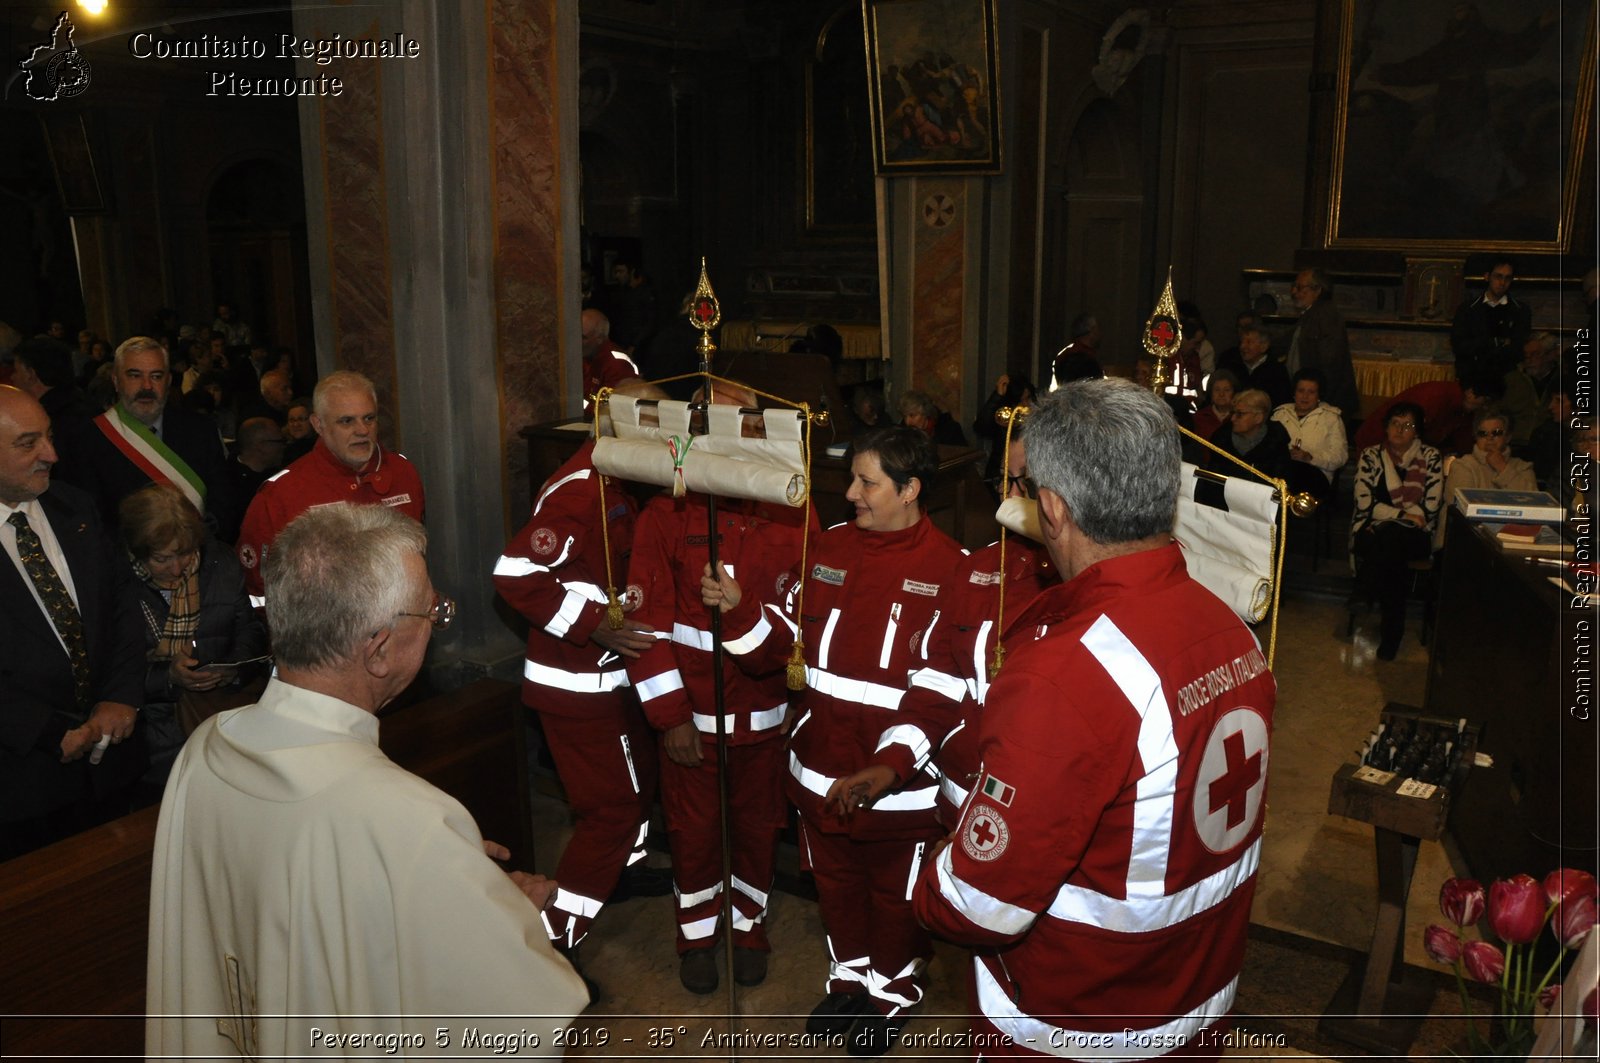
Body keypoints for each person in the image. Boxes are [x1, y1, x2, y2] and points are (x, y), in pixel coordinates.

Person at [911, 378, 1276, 1059]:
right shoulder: (1233, 630)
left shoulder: (1067, 674)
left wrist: (917, 870)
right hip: (1197, 1001)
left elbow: (979, 903)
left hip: (1076, 1023)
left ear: (1051, 507)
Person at [146, 503, 588, 1056]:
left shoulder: (206, 748)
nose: (435, 625)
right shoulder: (410, 820)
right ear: (379, 650)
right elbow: (526, 1022)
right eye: (432, 614)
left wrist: (452, 880)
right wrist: (511, 913)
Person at [702, 425, 965, 1055]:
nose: (849, 494)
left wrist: (888, 769)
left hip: (894, 792)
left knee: (893, 900)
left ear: (911, 490)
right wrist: (741, 609)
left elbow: (941, 693)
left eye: (866, 483)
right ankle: (849, 978)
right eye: (852, 479)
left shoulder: (950, 570)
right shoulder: (829, 548)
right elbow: (780, 657)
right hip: (817, 774)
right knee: (836, 891)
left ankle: (893, 989)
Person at [624, 384, 815, 994]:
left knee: (759, 831)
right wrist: (670, 717)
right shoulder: (667, 514)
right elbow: (646, 627)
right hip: (692, 723)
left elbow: (801, 626)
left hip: (763, 720)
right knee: (693, 835)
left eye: (753, 426)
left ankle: (747, 930)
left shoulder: (793, 512)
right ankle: (698, 936)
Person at [493, 405, 670, 991]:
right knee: (612, 810)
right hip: (578, 685)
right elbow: (514, 572)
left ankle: (617, 873)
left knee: (638, 790)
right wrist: (592, 623)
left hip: (611, 677)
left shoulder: (616, 480)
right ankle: (552, 940)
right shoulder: (579, 492)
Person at [830, 430, 1056, 835]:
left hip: (1037, 823)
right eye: (1003, 476)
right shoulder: (978, 571)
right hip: (960, 810)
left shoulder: (1085, 586)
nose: (1007, 492)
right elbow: (941, 683)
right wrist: (893, 762)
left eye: (1025, 482)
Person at [0, 386, 144, 859]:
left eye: (49, 437)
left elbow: (123, 605)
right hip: (21, 789)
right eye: (28, 443)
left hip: (111, 767)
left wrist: (120, 695)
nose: (51, 455)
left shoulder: (75, 507)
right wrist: (45, 731)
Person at [117, 483, 266, 792]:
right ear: (136, 549)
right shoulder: (114, 581)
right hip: (149, 743)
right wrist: (168, 677)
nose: (176, 569)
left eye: (185, 553)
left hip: (221, 724)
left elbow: (250, 629)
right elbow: (108, 668)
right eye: (161, 559)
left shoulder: (220, 564)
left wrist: (233, 669)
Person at [236, 370, 425, 603]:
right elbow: (258, 592)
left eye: (369, 418)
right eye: (347, 421)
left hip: (401, 629)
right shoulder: (281, 494)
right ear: (318, 424)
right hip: (323, 636)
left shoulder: (403, 474)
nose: (362, 430)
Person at [52, 336, 234, 537]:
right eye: (134, 376)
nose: (146, 386)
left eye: (156, 376)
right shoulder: (86, 440)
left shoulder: (201, 429)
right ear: (116, 381)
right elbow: (89, 521)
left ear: (169, 381)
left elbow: (223, 501)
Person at [1350, 401, 1443, 661]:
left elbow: (1431, 506)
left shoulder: (1431, 457)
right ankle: (1392, 634)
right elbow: (1364, 503)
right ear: (1386, 427)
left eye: (1408, 425)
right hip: (1374, 532)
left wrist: (1389, 515)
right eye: (1395, 424)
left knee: (1390, 541)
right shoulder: (1371, 455)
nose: (1400, 430)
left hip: (1413, 536)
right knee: (1392, 552)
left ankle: (1364, 589)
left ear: (1418, 432)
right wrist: (1403, 515)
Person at [1434, 406, 1536, 550]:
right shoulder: (1462, 465)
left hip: (1511, 544)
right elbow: (1462, 508)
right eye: (1483, 433)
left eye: (1497, 432)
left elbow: (1534, 507)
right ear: (1475, 437)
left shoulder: (1522, 468)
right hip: (1461, 543)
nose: (1489, 438)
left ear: (1508, 437)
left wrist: (1503, 468)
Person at [1354, 368, 1505, 456]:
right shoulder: (1435, 397)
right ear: (1472, 393)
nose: (1485, 407)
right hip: (1380, 447)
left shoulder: (1463, 407)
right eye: (1486, 402)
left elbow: (1463, 442)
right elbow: (1407, 435)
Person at [1285, 268, 1359, 418]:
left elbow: (1330, 362)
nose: (1294, 292)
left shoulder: (1325, 314)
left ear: (1317, 290)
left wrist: (1317, 398)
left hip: (1323, 404)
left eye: (1300, 287)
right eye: (1294, 286)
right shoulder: (1311, 314)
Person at [1272, 368, 1349, 501]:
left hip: (1315, 477)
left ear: (1319, 395)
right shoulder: (1280, 414)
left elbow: (1340, 457)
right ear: (1294, 393)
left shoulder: (1331, 418)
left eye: (1311, 392)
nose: (1305, 396)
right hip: (1280, 474)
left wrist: (1310, 457)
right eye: (1301, 391)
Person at [1451, 258, 1531, 378]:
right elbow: (1459, 345)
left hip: (1505, 376)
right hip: (1472, 375)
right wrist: (1496, 342)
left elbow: (1519, 347)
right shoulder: (1467, 309)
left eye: (1507, 278)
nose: (1502, 282)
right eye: (1498, 277)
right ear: (1487, 277)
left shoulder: (1520, 310)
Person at [1208, 388, 1292, 488]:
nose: (1233, 418)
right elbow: (1211, 485)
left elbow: (1280, 486)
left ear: (1258, 418)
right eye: (1233, 413)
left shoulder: (1277, 443)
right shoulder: (1221, 440)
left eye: (1240, 414)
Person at [581, 308, 641, 414]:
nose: (576, 341)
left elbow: (612, 410)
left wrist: (575, 404)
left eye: (583, 337)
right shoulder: (584, 357)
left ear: (599, 338)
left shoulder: (617, 364)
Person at [899, 388, 967, 446]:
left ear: (925, 413)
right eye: (905, 416)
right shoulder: (903, 432)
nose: (907, 421)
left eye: (912, 415)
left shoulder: (950, 430)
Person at [1191, 368, 1240, 440]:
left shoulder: (1240, 417)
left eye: (1227, 390)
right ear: (1211, 393)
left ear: (1234, 393)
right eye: (1217, 390)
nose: (1221, 394)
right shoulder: (1199, 418)